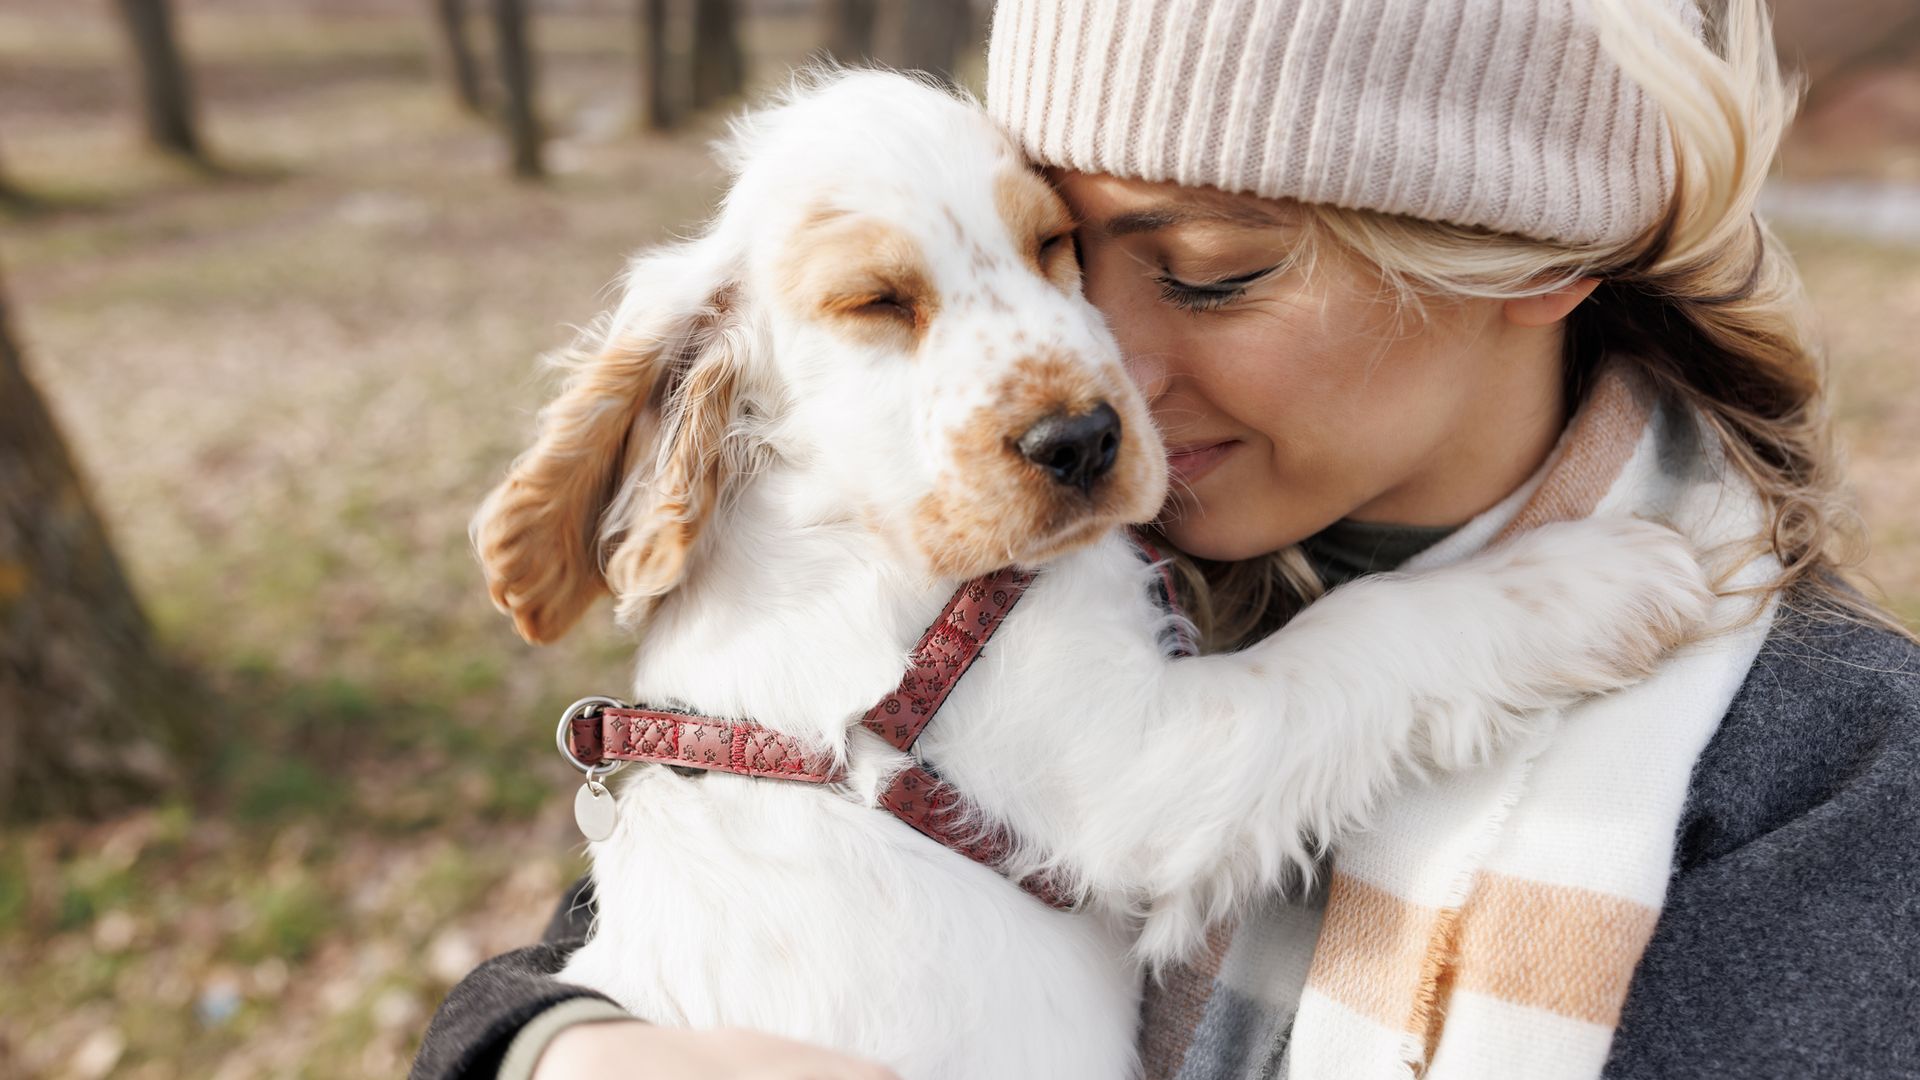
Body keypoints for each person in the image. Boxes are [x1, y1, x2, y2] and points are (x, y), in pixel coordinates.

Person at [412, 0, 1920, 1077]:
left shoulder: (1827, 780)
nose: (1095, 368)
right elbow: (613, 954)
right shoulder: (1020, 587)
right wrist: (572, 1055)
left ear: (1537, 257)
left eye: (1206, 273)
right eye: (1068, 248)